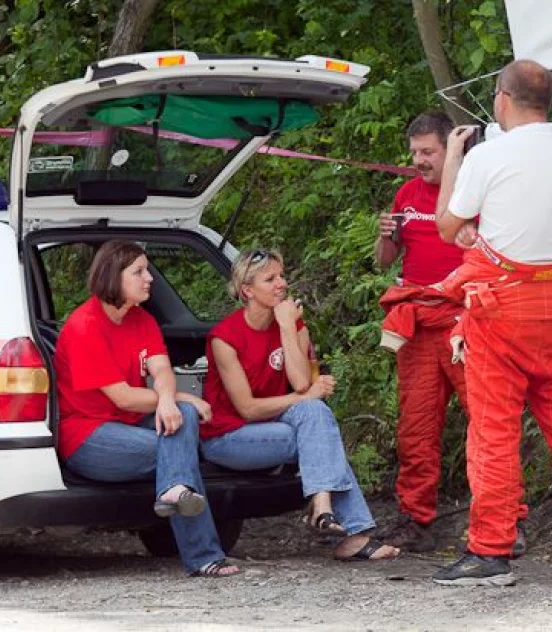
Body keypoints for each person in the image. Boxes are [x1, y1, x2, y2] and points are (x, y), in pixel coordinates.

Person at [433, 59, 552, 586]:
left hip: (500, 311)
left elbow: (447, 225)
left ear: (501, 99)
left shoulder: (490, 154)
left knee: (494, 432)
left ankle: (491, 552)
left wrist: (451, 161)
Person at [374, 110, 527, 553]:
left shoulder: (473, 192)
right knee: (416, 427)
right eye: (414, 152)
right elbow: (386, 260)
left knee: (489, 422)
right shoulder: (406, 192)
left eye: (428, 152)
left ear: (452, 149)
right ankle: (415, 519)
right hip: (417, 323)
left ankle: (508, 522)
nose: (419, 160)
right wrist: (386, 235)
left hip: (467, 321)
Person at [54, 239, 240, 578]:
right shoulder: (84, 326)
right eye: (138, 271)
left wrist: (171, 399)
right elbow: (123, 398)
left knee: (180, 422)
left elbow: (163, 372)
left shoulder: (142, 319)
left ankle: (174, 492)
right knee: (180, 446)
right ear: (113, 276)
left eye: (147, 270)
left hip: (132, 422)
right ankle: (203, 555)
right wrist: (182, 398)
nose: (149, 277)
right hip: (88, 435)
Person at [200, 248, 399, 562]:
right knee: (319, 431)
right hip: (229, 436)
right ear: (247, 290)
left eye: (282, 275)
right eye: (270, 279)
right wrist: (304, 397)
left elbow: (302, 383)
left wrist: (286, 328)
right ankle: (350, 531)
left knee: (316, 415)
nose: (281, 284)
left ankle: (324, 509)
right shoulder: (224, 338)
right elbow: (248, 409)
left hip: (277, 426)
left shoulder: (292, 323)